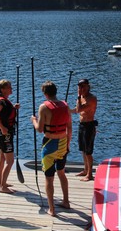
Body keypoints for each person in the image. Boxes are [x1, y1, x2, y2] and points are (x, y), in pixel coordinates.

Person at [31, 81, 72, 216]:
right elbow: (69, 128)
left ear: (45, 93)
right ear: (55, 91)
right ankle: (66, 201)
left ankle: (52, 209)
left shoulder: (44, 107)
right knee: (61, 173)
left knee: (49, 178)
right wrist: (67, 145)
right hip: (63, 143)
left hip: (50, 144)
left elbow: (40, 129)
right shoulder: (65, 105)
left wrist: (34, 121)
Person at [0, 79, 20, 194]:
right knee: (10, 161)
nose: (11, 89)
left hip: (0, 134)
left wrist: (14, 108)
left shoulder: (3, 101)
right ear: (2, 89)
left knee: (2, 159)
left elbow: (4, 113)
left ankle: (0, 182)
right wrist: (3, 128)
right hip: (5, 135)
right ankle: (3, 186)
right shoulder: (1, 102)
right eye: (9, 87)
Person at [71, 78, 97, 181]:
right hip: (81, 125)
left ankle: (90, 174)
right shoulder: (81, 98)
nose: (81, 88)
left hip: (89, 126)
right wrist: (65, 110)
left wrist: (78, 96)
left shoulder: (92, 99)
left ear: (88, 87)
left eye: (83, 86)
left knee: (88, 151)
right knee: (82, 149)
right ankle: (85, 170)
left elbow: (79, 109)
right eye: (80, 86)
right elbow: (76, 110)